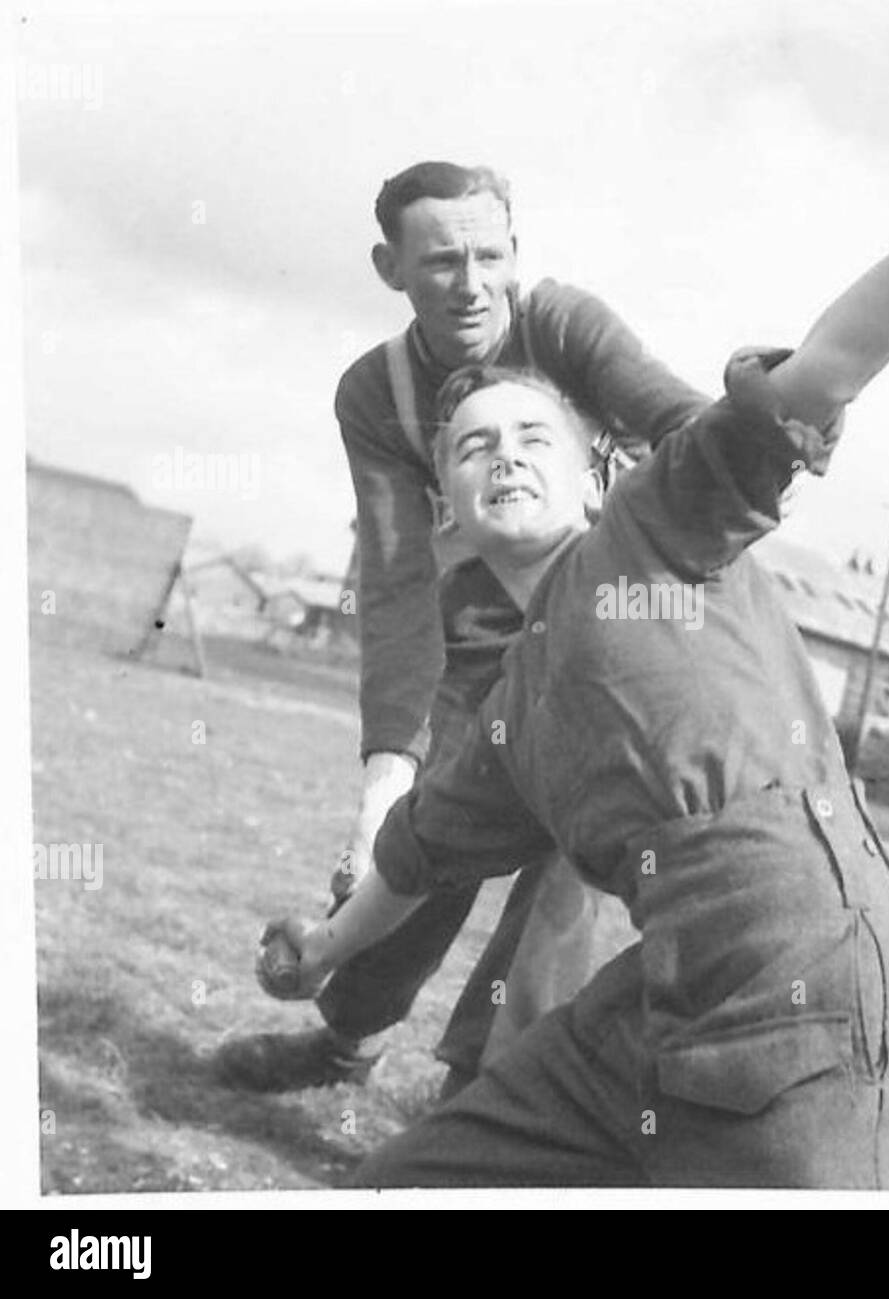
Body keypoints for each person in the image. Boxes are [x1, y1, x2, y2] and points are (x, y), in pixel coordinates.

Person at [261, 23, 889, 1186]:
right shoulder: (506, 719)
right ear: (451, 515)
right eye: (473, 446)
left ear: (597, 473)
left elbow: (825, 368)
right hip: (649, 1021)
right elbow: (414, 859)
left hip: (818, 1003)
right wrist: (317, 953)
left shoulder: (661, 520)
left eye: (535, 433)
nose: (504, 455)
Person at [216, 160, 706, 1094]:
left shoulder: (564, 327)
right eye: (441, 261)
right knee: (413, 854)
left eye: (490, 254)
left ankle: (483, 1097)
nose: (472, 283)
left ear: (516, 251)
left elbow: (683, 422)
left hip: (609, 645)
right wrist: (378, 800)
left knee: (572, 880)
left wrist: (766, 420)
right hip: (471, 657)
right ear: (388, 267)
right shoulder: (377, 393)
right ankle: (346, 1042)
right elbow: (397, 586)